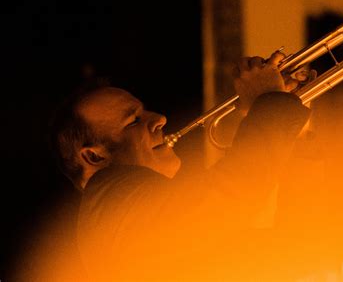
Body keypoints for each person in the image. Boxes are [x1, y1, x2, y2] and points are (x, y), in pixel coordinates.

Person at [49, 50, 311, 281]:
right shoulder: (111, 202)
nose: (160, 119)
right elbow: (229, 198)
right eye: (133, 121)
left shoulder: (142, 219)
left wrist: (295, 127)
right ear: (94, 157)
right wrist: (269, 103)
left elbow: (287, 245)